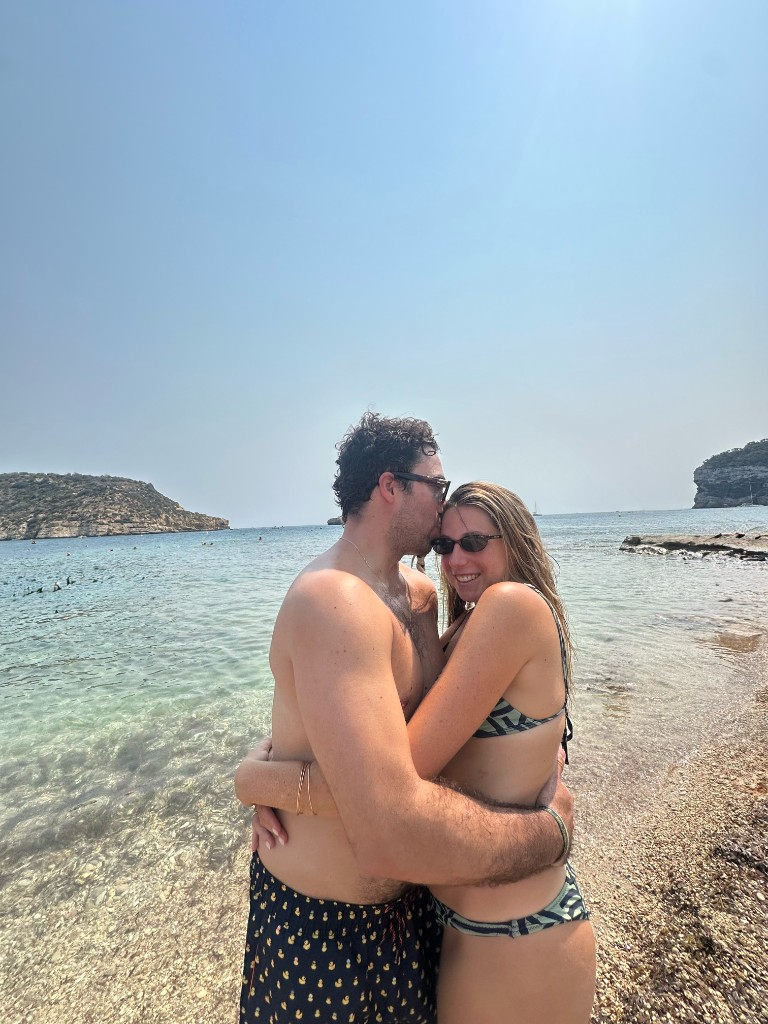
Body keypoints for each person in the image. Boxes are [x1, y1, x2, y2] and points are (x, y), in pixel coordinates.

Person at [234, 414, 575, 1024]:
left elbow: (404, 733)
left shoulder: (420, 598)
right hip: (320, 930)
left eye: (471, 541)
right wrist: (257, 778)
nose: (445, 516)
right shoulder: (333, 600)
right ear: (392, 487)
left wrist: (264, 778)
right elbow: (377, 789)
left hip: (415, 915)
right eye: (438, 488)